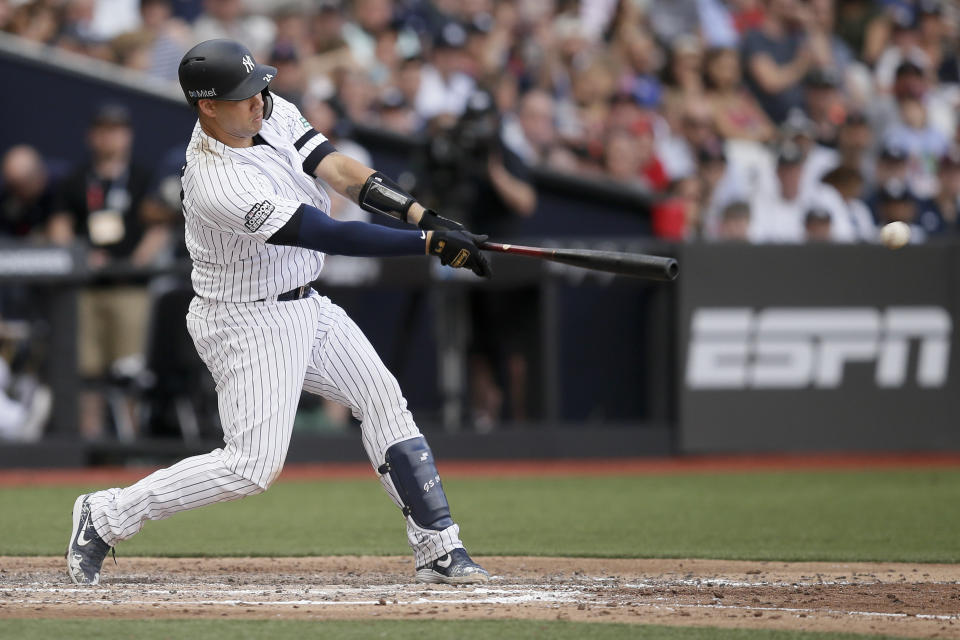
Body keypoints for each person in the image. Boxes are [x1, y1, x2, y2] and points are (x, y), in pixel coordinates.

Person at [66, 39, 491, 587]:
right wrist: (428, 244)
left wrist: (421, 215)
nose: (259, 100)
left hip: (304, 302)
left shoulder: (270, 110)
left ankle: (440, 549)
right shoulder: (216, 180)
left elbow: (334, 167)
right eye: (243, 95)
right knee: (250, 467)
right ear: (207, 107)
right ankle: (104, 516)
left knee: (383, 398)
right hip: (245, 320)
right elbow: (327, 233)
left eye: (259, 87)